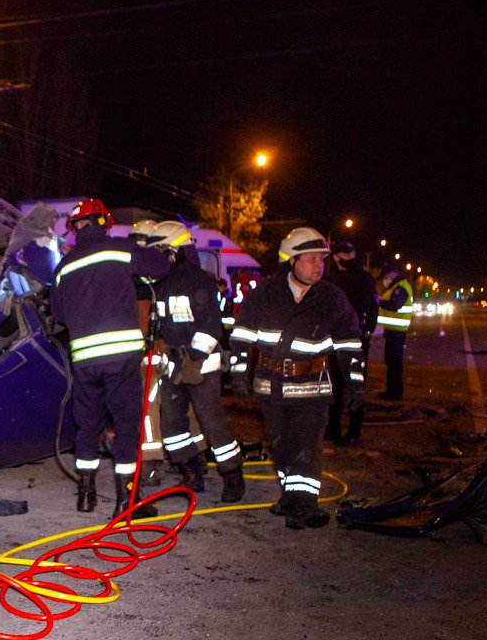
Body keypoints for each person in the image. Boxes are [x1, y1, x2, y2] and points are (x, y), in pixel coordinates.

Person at [229, 228, 364, 529]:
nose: (319, 265)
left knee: (307, 445)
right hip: (271, 386)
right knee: (282, 446)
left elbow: (349, 343)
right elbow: (241, 336)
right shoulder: (264, 293)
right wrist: (238, 374)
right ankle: (290, 498)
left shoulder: (332, 298)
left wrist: (355, 382)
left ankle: (303, 506)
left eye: (322, 259)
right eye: (311, 258)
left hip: (311, 387)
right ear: (291, 261)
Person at [49, 198, 170, 515]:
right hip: (121, 359)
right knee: (126, 425)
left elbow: (59, 314)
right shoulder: (119, 249)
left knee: (86, 425)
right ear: (104, 222)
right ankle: (127, 501)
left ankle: (86, 496)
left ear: (75, 229)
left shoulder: (64, 267)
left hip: (85, 363)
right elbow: (161, 267)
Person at [146, 221, 245, 502]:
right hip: (173, 365)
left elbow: (212, 326)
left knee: (212, 423)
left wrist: (195, 357)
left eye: (157, 252)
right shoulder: (159, 285)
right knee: (172, 425)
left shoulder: (198, 281)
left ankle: (233, 476)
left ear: (173, 252)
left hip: (201, 366)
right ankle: (191, 472)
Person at [325, 241, 379, 444]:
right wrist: (366, 332)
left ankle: (336, 430)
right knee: (353, 385)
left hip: (339, 339)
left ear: (337, 257)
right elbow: (373, 308)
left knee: (337, 387)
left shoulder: (334, 280)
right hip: (355, 340)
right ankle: (353, 432)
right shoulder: (365, 278)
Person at [376, 262, 413, 400]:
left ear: (392, 274)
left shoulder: (401, 287)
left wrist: (377, 301)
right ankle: (391, 390)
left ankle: (394, 393)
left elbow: (395, 305)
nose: (385, 280)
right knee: (391, 361)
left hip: (397, 332)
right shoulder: (397, 287)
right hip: (392, 331)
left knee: (394, 362)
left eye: (385, 276)